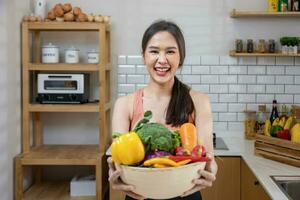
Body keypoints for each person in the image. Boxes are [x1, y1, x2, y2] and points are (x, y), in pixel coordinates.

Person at [108, 19, 217, 200]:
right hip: (138, 195)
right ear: (143, 56)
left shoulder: (199, 101)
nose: (162, 60)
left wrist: (211, 170)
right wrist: (112, 172)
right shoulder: (125, 104)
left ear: (180, 56)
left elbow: (208, 157)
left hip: (186, 194)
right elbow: (116, 159)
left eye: (170, 52)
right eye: (154, 51)